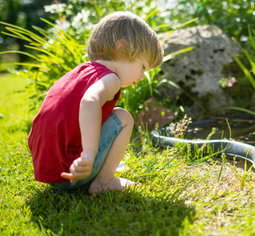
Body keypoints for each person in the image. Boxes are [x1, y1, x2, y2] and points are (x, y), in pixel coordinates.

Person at [28, 11, 164, 194]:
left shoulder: (81, 72)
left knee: (108, 116)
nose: (141, 77)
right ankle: (104, 182)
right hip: (73, 170)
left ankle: (101, 167)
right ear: (122, 49)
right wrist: (89, 154)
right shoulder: (111, 79)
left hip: (48, 168)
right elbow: (90, 101)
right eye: (143, 67)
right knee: (123, 117)